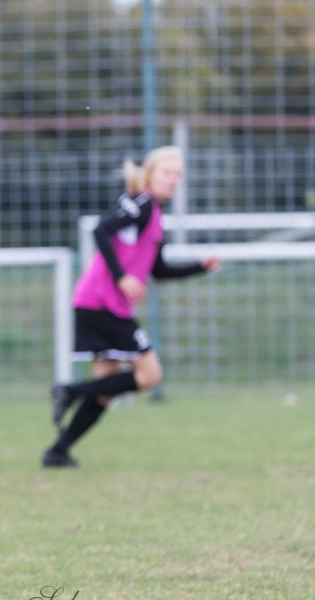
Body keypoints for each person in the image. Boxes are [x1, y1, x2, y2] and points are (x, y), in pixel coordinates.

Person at [44, 146, 220, 468]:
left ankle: (58, 451)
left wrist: (201, 267)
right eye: (167, 172)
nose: (173, 179)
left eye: (178, 174)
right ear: (150, 174)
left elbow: (159, 271)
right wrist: (122, 276)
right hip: (100, 303)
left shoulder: (154, 216)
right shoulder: (141, 203)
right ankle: (68, 390)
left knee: (106, 390)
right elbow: (100, 228)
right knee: (150, 374)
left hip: (100, 305)